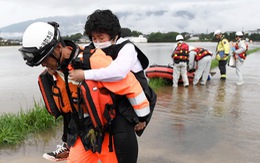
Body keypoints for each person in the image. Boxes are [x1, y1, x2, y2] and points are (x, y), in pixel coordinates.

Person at [19, 21, 119, 162]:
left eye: (45, 59)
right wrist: (67, 139)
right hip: (83, 132)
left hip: (109, 129)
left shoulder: (93, 60)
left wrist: (139, 119)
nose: (43, 64)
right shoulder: (55, 72)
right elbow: (68, 108)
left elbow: (126, 86)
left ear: (58, 48)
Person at [69, 9, 157, 163]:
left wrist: (85, 75)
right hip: (112, 100)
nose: (97, 42)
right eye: (94, 38)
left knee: (122, 133)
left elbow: (119, 72)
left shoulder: (127, 48)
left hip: (132, 103)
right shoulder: (93, 47)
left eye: (101, 37)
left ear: (115, 36)